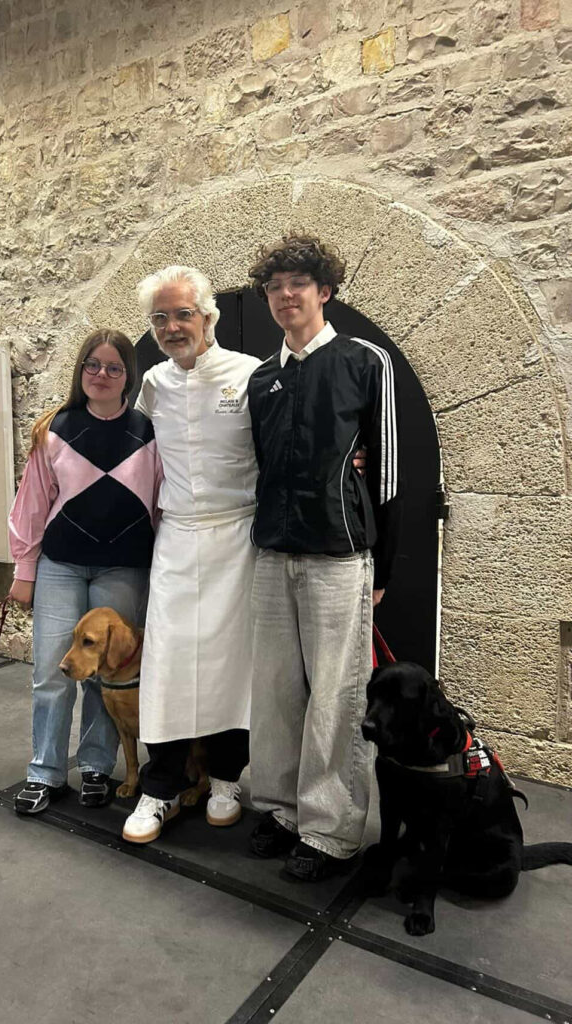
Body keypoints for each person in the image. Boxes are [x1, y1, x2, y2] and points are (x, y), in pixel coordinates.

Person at [246, 235, 403, 881]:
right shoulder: (262, 378)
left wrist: (384, 569)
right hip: (272, 554)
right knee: (277, 693)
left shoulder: (366, 362)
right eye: (276, 286)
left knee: (337, 698)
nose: (286, 295)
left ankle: (330, 831)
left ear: (324, 290)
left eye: (298, 284)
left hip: (340, 557)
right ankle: (281, 810)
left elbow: (388, 472)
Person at [120, 266, 261, 845]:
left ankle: (227, 779)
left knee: (235, 667)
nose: (173, 327)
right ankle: (161, 788)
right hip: (177, 536)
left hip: (238, 537)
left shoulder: (251, 375)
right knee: (169, 664)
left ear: (209, 317)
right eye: (160, 317)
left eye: (183, 314)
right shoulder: (152, 383)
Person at [8, 329, 161, 815]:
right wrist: (24, 570)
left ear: (128, 377)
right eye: (92, 365)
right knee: (53, 670)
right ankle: (45, 771)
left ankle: (97, 765)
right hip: (61, 566)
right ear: (81, 370)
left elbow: (161, 505)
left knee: (106, 672)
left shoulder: (149, 433)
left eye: (114, 367)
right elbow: (31, 506)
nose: (101, 375)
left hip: (124, 568)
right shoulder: (54, 430)